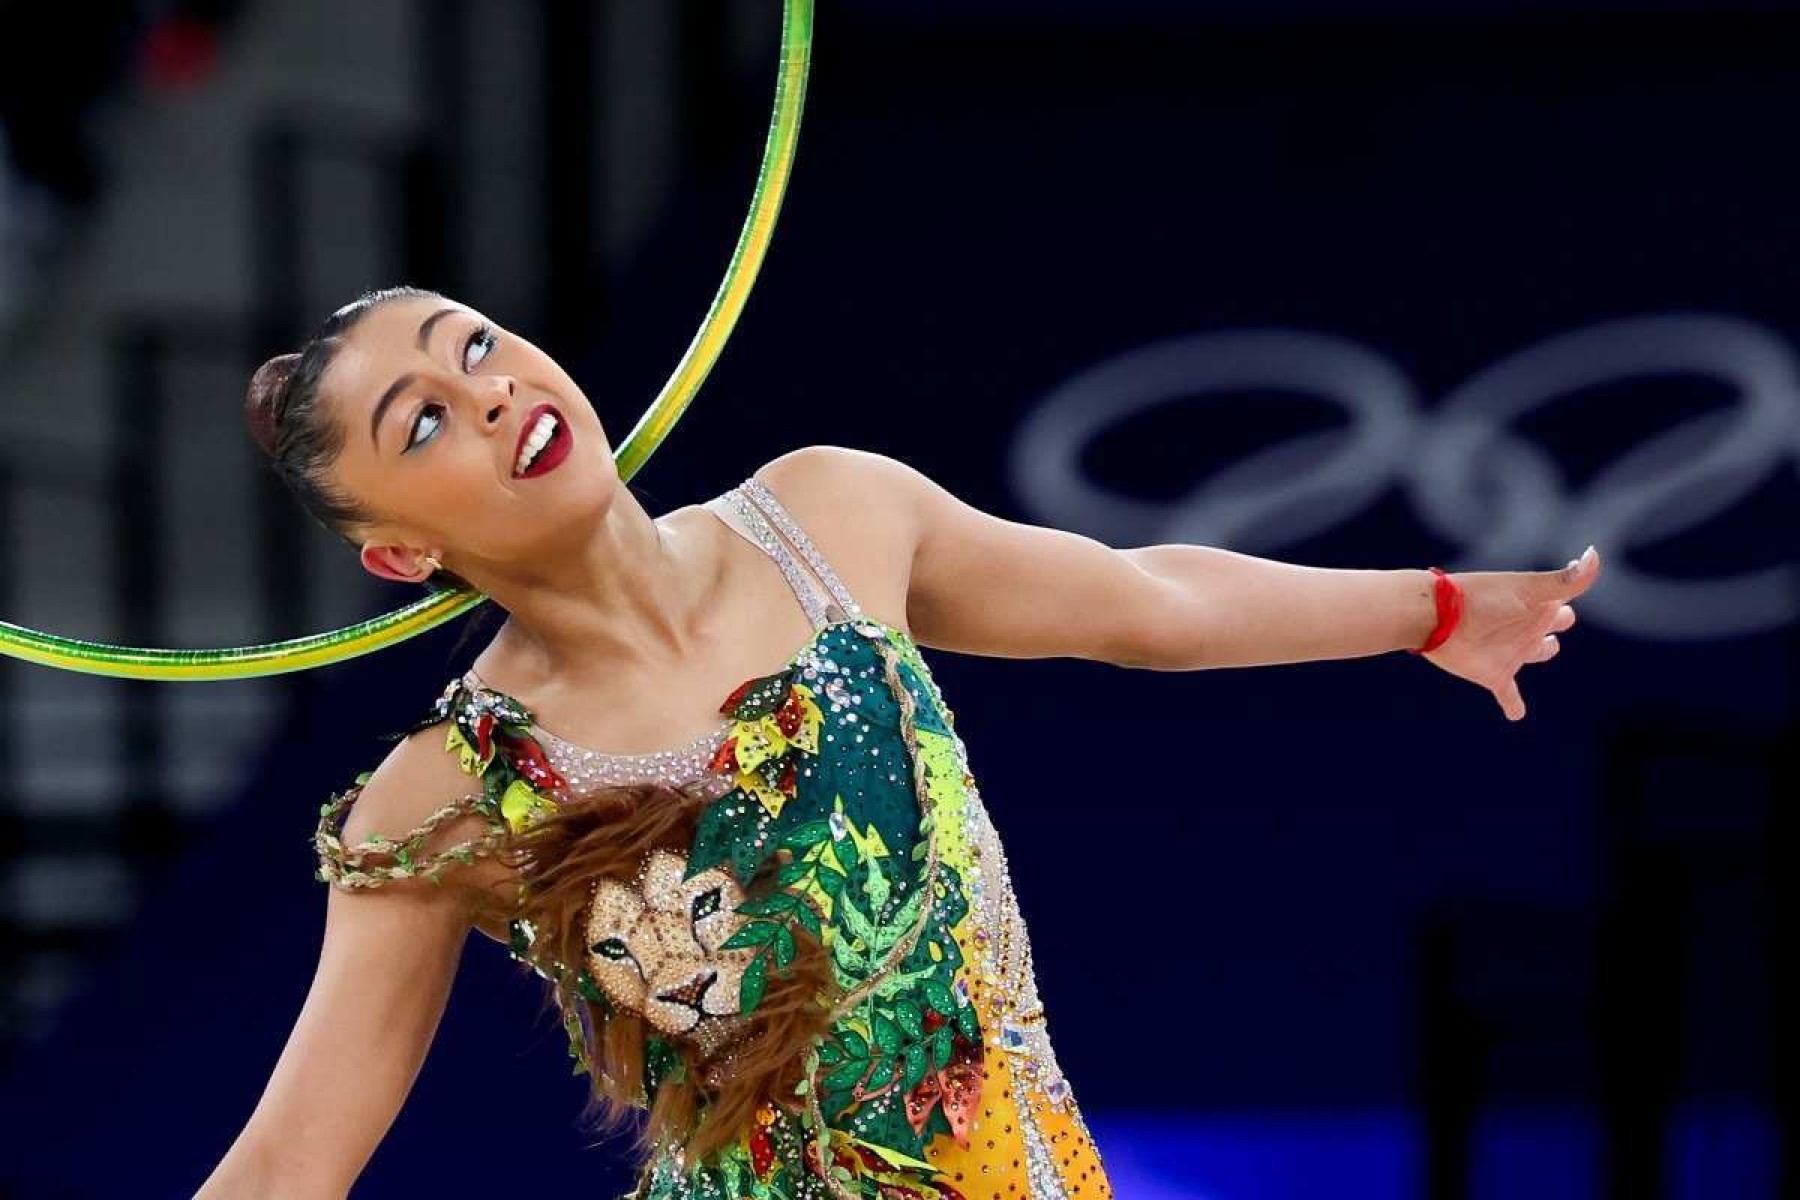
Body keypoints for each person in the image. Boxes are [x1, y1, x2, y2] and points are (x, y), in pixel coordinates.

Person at [196, 286, 1601, 1200]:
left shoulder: (827, 519)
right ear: (396, 549)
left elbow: (1144, 600)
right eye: (426, 419)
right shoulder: (445, 797)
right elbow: (288, 1168)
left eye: (478, 345)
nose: (494, 394)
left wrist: (1431, 609)